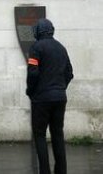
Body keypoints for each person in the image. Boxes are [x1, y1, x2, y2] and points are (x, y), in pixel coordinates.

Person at [26, 18, 74, 174]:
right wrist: (60, 88)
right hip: (60, 98)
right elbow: (69, 73)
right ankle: (61, 171)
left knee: (40, 135)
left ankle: (44, 171)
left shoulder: (36, 48)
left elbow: (33, 73)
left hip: (41, 99)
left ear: (38, 31)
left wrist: (31, 91)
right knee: (58, 135)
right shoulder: (61, 48)